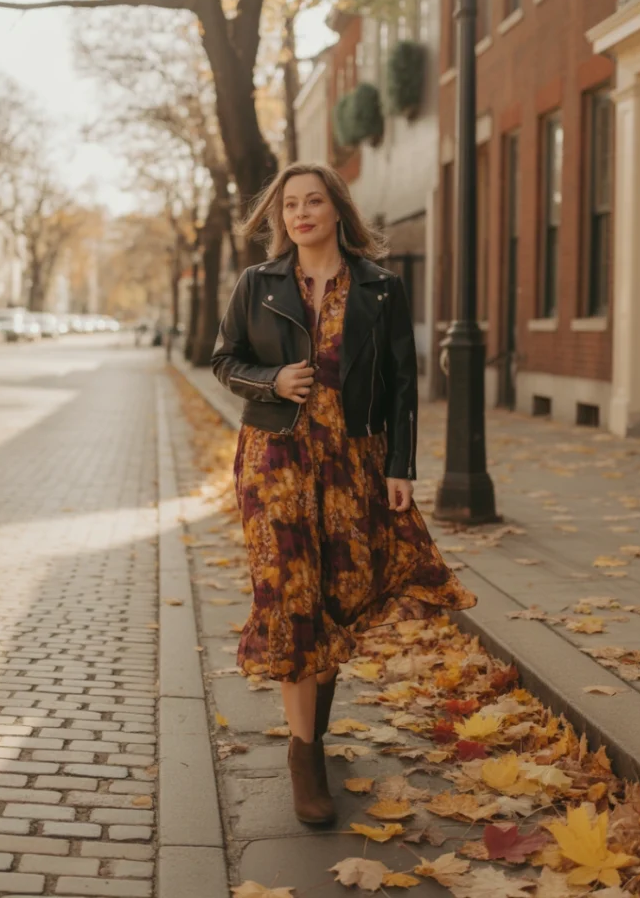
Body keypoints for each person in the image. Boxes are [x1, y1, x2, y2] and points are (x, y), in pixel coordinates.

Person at [211, 162, 476, 825]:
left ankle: (314, 728)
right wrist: (271, 381)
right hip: (275, 460)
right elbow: (223, 359)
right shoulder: (258, 283)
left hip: (352, 460)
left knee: (338, 595)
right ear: (281, 218)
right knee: (292, 598)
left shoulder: (380, 288)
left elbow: (401, 387)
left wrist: (401, 467)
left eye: (312, 202)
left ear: (336, 210)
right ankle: (304, 755)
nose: (299, 213)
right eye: (288, 205)